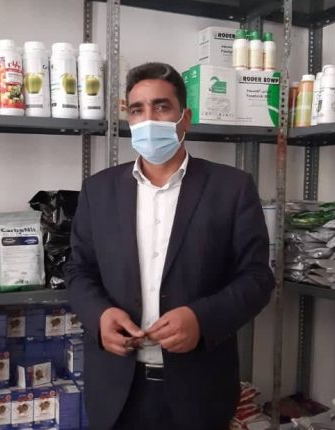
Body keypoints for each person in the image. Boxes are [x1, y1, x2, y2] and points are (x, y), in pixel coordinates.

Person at [65, 62, 274, 430]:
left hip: (200, 390)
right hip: (116, 390)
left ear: (185, 118)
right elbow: (79, 270)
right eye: (137, 109)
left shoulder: (232, 188)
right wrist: (99, 317)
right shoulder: (99, 190)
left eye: (161, 107)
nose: (148, 119)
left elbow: (257, 279)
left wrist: (202, 319)